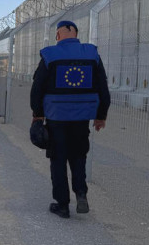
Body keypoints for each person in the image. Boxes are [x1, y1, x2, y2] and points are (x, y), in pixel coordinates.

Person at [30, 20, 110, 219]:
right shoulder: (92, 54)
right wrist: (101, 115)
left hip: (56, 116)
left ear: (59, 34)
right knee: (78, 156)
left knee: (58, 159)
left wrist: (37, 114)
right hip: (82, 117)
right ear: (75, 33)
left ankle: (62, 204)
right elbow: (102, 86)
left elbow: (37, 87)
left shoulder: (50, 54)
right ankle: (81, 193)